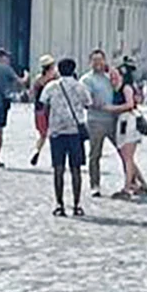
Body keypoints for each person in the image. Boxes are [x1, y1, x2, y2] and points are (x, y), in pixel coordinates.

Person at [38, 57, 93, 217]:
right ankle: (76, 205)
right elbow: (88, 103)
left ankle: (59, 204)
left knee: (58, 169)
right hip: (75, 132)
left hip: (56, 132)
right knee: (76, 169)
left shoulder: (52, 86)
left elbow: (42, 104)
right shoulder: (80, 86)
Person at [81, 50, 127, 197]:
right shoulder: (87, 79)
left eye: (100, 60)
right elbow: (86, 100)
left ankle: (132, 182)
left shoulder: (109, 77)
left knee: (125, 152)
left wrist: (113, 71)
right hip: (96, 121)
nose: (98, 63)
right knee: (95, 155)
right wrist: (97, 104)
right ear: (90, 62)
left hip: (113, 120)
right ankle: (95, 185)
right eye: (94, 60)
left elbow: (120, 87)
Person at [112, 59, 147, 199]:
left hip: (128, 120)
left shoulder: (127, 87)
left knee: (128, 157)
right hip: (123, 120)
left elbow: (130, 104)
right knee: (127, 157)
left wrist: (110, 108)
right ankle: (142, 184)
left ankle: (127, 187)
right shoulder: (124, 86)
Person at [28, 54, 58, 166]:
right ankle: (55, 158)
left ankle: (37, 151)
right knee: (55, 134)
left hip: (39, 109)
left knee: (42, 135)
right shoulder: (55, 78)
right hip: (53, 109)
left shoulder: (38, 79)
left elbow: (33, 94)